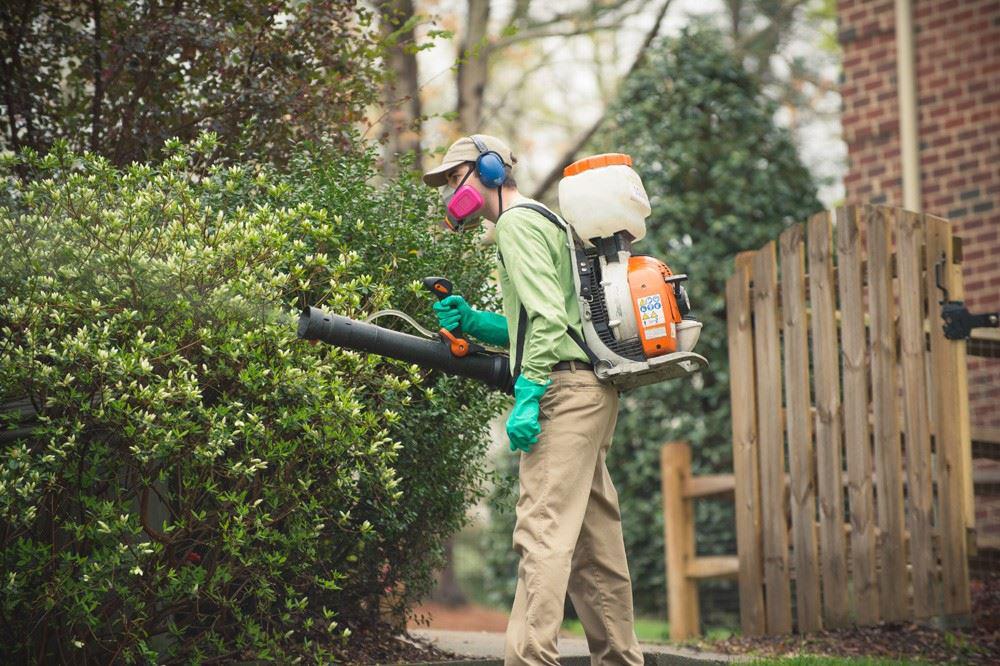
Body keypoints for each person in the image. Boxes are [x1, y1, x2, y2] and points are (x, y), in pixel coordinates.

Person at [422, 134, 644, 666]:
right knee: (595, 544)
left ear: (491, 171)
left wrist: (528, 393)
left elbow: (546, 322)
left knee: (541, 531)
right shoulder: (546, 220)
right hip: (590, 390)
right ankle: (620, 659)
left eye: (455, 179)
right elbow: (548, 319)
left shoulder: (516, 225)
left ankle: (529, 660)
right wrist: (476, 322)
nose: (451, 194)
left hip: (564, 394)